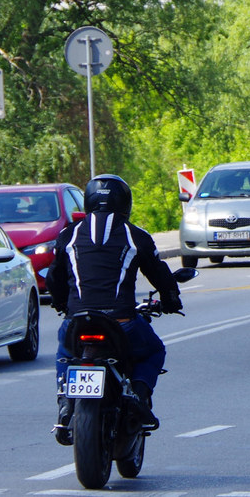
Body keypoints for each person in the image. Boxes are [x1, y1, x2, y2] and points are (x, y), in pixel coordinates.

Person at [47, 174, 183, 445]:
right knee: (155, 350)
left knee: (64, 352)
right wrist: (171, 299)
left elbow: (53, 278)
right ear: (125, 203)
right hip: (122, 322)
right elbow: (160, 274)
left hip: (78, 321)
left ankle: (64, 402)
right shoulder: (136, 236)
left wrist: (62, 304)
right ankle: (140, 398)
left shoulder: (68, 235)